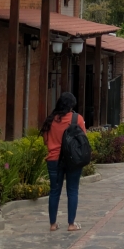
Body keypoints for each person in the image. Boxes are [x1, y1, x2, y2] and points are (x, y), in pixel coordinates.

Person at [42, 91, 86, 232]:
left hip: (53, 160)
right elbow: (83, 140)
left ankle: (53, 224)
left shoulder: (50, 120)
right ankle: (71, 224)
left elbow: (45, 141)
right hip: (72, 160)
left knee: (54, 192)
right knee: (72, 191)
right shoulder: (77, 119)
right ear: (71, 105)